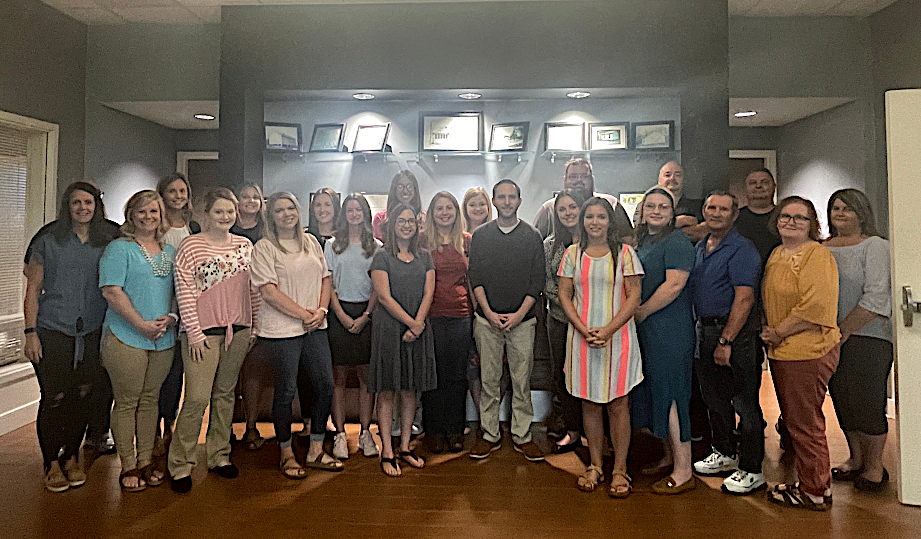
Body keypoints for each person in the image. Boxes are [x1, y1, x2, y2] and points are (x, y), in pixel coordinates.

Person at [23, 181, 120, 492]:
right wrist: (30, 333)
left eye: (88, 203)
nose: (83, 208)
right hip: (53, 330)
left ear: (96, 206)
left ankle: (72, 457)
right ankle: (51, 462)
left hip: (92, 331)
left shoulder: (108, 239)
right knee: (55, 397)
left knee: (82, 394)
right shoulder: (49, 239)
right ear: (68, 205)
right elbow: (32, 290)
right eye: (76, 203)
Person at [168, 187, 261, 493]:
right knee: (196, 399)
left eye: (230, 212)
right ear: (205, 214)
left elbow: (254, 290)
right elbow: (184, 293)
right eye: (219, 211)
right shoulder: (191, 246)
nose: (225, 217)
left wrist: (254, 327)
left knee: (225, 396)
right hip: (202, 335)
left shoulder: (245, 245)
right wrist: (193, 332)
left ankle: (219, 455)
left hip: (239, 331)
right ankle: (180, 464)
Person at [252, 192, 342, 479]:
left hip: (316, 326)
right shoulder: (264, 248)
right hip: (281, 332)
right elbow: (268, 291)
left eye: (291, 207)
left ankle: (316, 449)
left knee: (325, 385)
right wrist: (305, 314)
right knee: (287, 391)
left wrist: (322, 311)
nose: (287, 214)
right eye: (279, 210)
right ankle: (287, 452)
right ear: (271, 216)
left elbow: (325, 278)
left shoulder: (311, 242)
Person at [558, 197, 644, 497]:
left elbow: (634, 296)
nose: (595, 222)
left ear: (611, 222)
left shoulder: (625, 254)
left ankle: (620, 469)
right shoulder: (572, 254)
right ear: (583, 221)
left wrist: (608, 330)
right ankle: (595, 464)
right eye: (589, 216)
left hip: (618, 337)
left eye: (601, 217)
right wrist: (583, 330)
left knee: (619, 404)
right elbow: (564, 296)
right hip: (581, 339)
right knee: (589, 403)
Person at [762, 196, 841, 511]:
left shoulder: (816, 255)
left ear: (813, 224)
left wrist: (780, 332)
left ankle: (815, 492)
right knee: (796, 422)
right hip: (784, 351)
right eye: (785, 216)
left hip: (807, 350)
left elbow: (816, 305)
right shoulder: (778, 253)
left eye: (800, 218)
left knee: (806, 425)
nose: (790, 222)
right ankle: (812, 482)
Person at [99, 190, 178, 492]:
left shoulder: (169, 252)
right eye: (141, 211)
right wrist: (141, 325)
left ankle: (146, 459)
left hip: (163, 339)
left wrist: (171, 318)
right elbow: (111, 291)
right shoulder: (119, 249)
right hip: (126, 336)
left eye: (154, 212)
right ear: (131, 215)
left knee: (150, 401)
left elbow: (177, 292)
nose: (148, 217)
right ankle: (128, 464)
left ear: (162, 216)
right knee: (127, 401)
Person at [689, 191, 765, 495]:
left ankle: (752, 468)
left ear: (734, 215)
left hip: (735, 336)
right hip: (705, 332)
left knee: (745, 404)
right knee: (714, 400)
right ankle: (724, 453)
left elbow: (744, 298)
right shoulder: (701, 246)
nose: (716, 213)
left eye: (723, 209)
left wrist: (726, 340)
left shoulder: (743, 250)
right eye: (711, 207)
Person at [467, 180, 545, 463]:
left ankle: (523, 435)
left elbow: (537, 281)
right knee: (489, 380)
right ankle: (489, 434)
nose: (508, 201)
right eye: (502, 197)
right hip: (486, 321)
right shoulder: (481, 236)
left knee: (521, 381)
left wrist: (518, 315)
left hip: (522, 321)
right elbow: (475, 278)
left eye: (512, 197)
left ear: (520, 201)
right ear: (494, 201)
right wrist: (488, 313)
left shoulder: (531, 236)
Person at [825, 189, 893, 492]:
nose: (840, 213)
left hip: (869, 337)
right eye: (835, 208)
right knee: (843, 401)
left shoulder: (875, 246)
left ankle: (875, 467)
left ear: (861, 213)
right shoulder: (821, 247)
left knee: (869, 403)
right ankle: (855, 459)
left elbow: (877, 296)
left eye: (847, 209)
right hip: (830, 339)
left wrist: (844, 329)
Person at [630, 186, 696, 495]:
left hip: (670, 328)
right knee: (657, 392)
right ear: (642, 211)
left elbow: (674, 285)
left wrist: (641, 311)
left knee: (672, 394)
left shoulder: (677, 241)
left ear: (672, 213)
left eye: (663, 207)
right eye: (651, 206)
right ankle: (669, 457)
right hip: (650, 329)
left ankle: (683, 470)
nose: (656, 211)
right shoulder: (645, 241)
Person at [369, 203, 437, 477]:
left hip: (418, 328)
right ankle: (387, 450)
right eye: (401, 221)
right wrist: (412, 323)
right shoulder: (381, 257)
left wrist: (418, 324)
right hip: (389, 329)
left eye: (411, 221)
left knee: (410, 390)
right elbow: (383, 297)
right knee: (386, 391)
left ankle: (405, 447)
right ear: (392, 225)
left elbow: (429, 291)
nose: (407, 225)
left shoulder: (425, 256)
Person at [325, 193, 381, 460]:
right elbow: (329, 285)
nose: (354, 213)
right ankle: (339, 434)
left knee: (365, 379)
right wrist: (342, 316)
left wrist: (366, 315)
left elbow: (378, 288)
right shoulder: (332, 245)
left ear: (366, 214)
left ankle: (365, 433)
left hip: (367, 315)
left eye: (359, 209)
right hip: (339, 314)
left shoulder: (377, 246)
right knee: (338, 377)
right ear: (343, 214)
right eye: (350, 209)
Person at [421, 192, 473, 454]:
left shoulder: (466, 241)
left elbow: (473, 280)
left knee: (456, 376)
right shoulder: (422, 241)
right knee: (434, 375)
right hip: (430, 316)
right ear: (432, 213)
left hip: (461, 315)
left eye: (449, 208)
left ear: (456, 212)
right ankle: (433, 431)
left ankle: (454, 430)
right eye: (439, 208)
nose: (444, 212)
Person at [154, 172, 199, 457]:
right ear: (163, 194)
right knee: (156, 373)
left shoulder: (194, 227)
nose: (178, 196)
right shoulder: (155, 226)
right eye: (172, 191)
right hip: (157, 304)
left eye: (183, 191)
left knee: (176, 373)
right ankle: (152, 431)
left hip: (186, 309)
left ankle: (170, 425)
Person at [542, 189, 586, 453]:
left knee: (592, 377)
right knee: (562, 377)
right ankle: (572, 430)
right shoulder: (550, 245)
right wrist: (573, 307)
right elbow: (548, 285)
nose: (568, 213)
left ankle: (598, 432)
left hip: (594, 324)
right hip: (559, 322)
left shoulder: (596, 245)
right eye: (563, 209)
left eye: (573, 207)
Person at [231, 184, 270, 451]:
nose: (250, 201)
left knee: (254, 372)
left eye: (255, 196)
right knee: (228, 375)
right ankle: (224, 430)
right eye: (245, 196)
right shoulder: (227, 230)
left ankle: (252, 427)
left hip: (264, 306)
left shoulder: (267, 232)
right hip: (230, 305)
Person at [533, 158, 632, 241]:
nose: (579, 180)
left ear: (592, 180)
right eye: (573, 176)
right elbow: (535, 243)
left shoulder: (611, 203)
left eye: (584, 176)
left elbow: (628, 239)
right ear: (565, 180)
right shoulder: (549, 208)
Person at [735, 169, 780, 265]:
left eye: (765, 182)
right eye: (752, 183)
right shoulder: (734, 218)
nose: (758, 186)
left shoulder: (784, 217)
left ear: (774, 187)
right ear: (745, 188)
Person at [655, 161, 706, 242]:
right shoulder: (645, 206)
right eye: (667, 175)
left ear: (684, 180)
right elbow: (643, 232)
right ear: (659, 180)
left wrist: (662, 227)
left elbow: (702, 232)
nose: (672, 178)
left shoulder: (698, 206)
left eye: (678, 175)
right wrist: (676, 223)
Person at [372, 170, 425, 242]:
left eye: (409, 186)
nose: (405, 191)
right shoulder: (380, 219)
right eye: (400, 187)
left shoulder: (425, 218)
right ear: (394, 190)